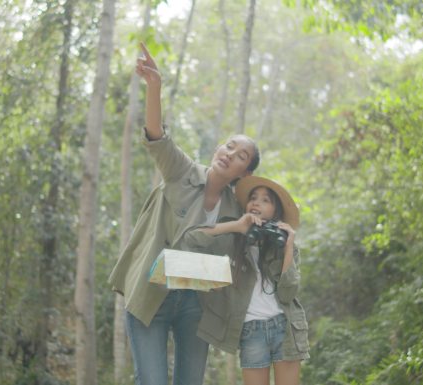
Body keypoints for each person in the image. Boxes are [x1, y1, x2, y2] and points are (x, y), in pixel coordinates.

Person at [108, 42, 261, 385]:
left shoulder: (237, 210)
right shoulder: (181, 171)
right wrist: (155, 87)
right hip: (151, 296)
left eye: (240, 155)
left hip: (196, 305)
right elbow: (157, 137)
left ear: (244, 173)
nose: (229, 153)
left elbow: (247, 259)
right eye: (229, 145)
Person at [182, 175, 310, 385]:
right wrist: (236, 227)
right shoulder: (232, 239)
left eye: (265, 199)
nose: (256, 202)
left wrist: (288, 246)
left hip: (284, 327)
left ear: (276, 211)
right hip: (251, 330)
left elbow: (288, 294)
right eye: (253, 197)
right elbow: (191, 238)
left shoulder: (285, 247)